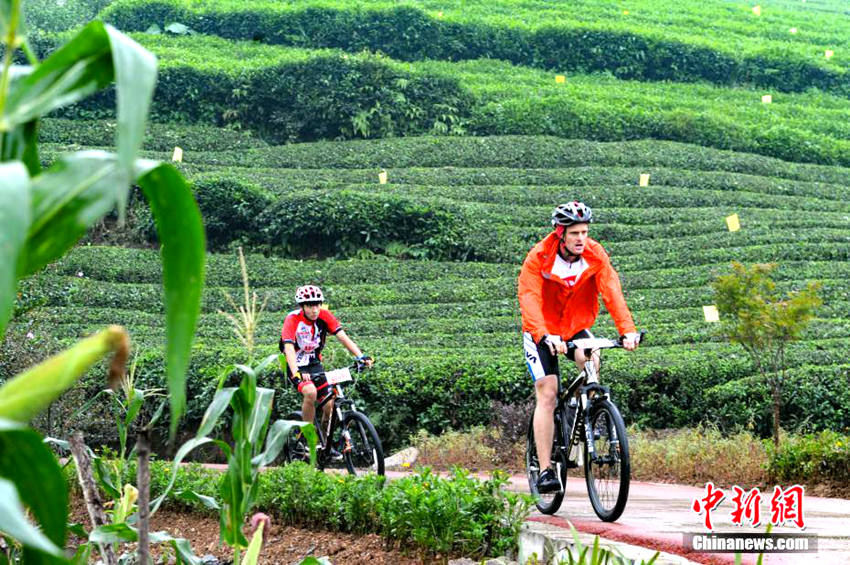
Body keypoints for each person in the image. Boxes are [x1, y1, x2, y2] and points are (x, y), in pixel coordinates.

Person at [518, 201, 640, 494]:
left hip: (575, 326)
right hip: (542, 331)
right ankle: (546, 469)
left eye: (584, 232)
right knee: (547, 392)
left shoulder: (596, 255)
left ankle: (581, 407)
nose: (580, 238)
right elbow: (529, 298)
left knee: (592, 360)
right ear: (560, 233)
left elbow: (612, 292)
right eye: (574, 233)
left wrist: (627, 330)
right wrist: (545, 334)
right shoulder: (538, 258)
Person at [280, 285, 373, 456]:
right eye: (310, 306)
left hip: (315, 364)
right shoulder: (292, 319)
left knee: (329, 405)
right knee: (310, 393)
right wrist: (296, 372)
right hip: (297, 365)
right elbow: (289, 348)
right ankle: (306, 438)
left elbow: (342, 337)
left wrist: (361, 356)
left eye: (317, 305)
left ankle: (324, 441)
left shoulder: (324, 316)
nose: (314, 309)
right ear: (303, 306)